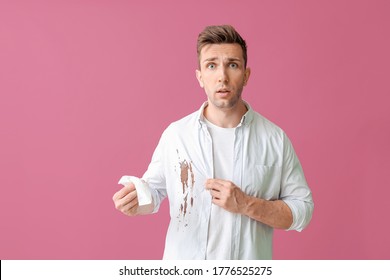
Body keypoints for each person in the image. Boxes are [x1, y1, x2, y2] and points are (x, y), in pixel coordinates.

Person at [113, 25, 314, 260]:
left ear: (246, 75)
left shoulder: (275, 140)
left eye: (233, 65)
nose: (222, 76)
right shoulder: (176, 135)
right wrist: (136, 201)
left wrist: (247, 204)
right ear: (200, 77)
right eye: (211, 65)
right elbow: (154, 192)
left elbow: (303, 209)